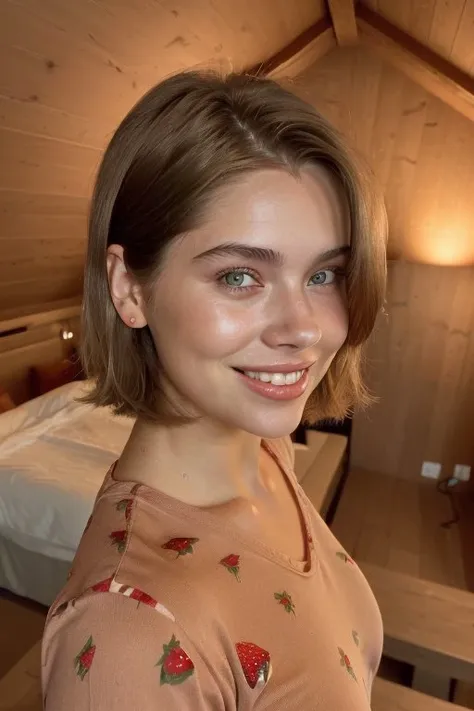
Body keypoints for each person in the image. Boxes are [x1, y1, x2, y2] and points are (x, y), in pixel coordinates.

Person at [42, 70, 387, 710]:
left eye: (324, 274)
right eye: (239, 276)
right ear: (129, 289)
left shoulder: (266, 453)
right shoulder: (131, 638)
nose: (304, 329)